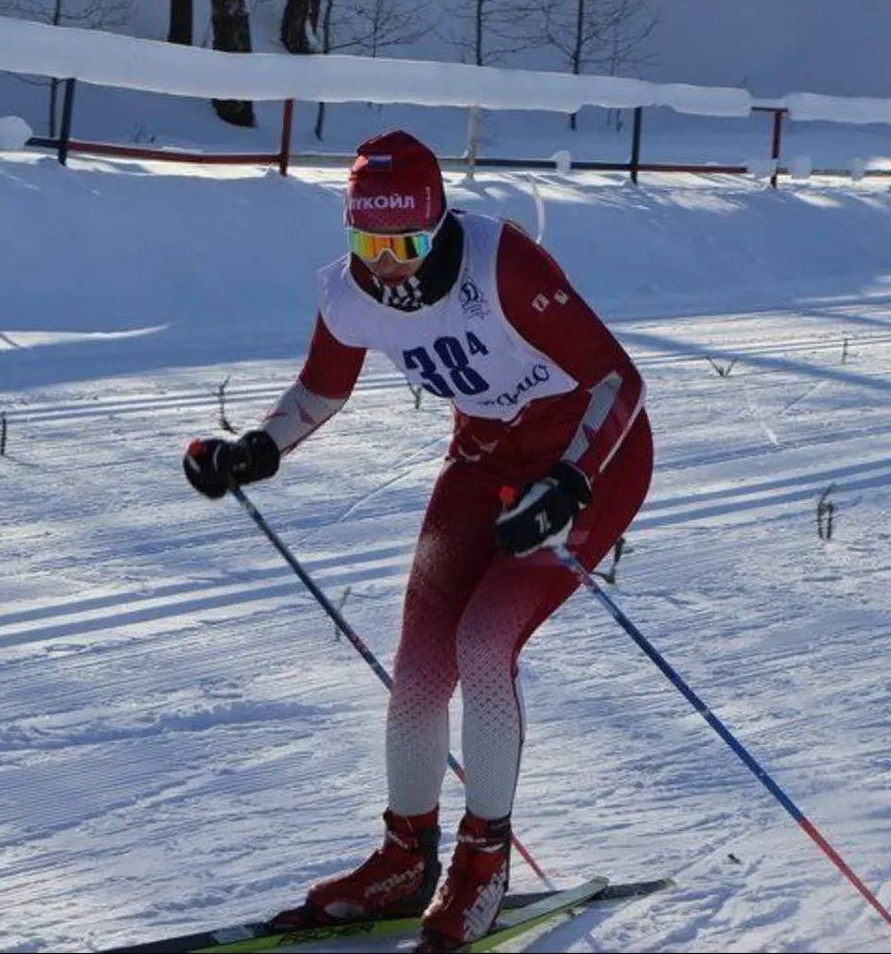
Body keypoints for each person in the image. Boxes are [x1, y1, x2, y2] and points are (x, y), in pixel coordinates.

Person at [182, 129, 653, 952]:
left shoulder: (502, 265)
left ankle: (484, 859)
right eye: (369, 242)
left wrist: (570, 483)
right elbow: (321, 388)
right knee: (420, 665)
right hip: (483, 459)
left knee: (484, 639)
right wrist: (255, 448)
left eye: (406, 243)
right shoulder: (350, 292)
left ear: (438, 227)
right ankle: (407, 856)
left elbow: (618, 378)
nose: (389, 263)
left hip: (593, 458)